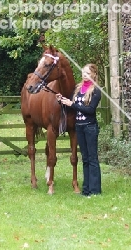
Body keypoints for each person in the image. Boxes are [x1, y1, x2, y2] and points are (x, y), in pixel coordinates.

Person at [56, 64, 102, 196]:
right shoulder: (77, 88)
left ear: (93, 74)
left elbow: (90, 110)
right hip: (79, 127)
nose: (84, 75)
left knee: (92, 159)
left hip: (90, 127)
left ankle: (95, 190)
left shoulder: (96, 91)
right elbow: (72, 106)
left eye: (87, 73)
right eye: (83, 72)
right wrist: (63, 101)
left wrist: (73, 105)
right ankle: (86, 189)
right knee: (85, 158)